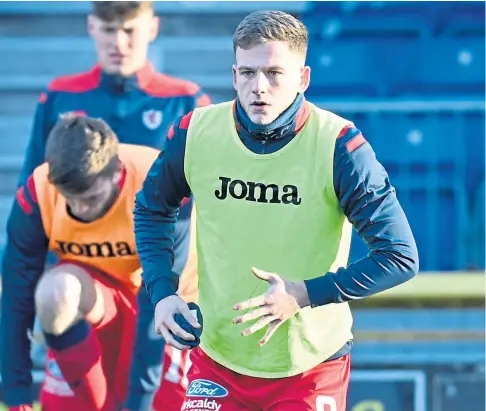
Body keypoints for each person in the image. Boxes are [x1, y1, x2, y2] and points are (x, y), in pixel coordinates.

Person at [134, 10, 419, 411]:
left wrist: (304, 294)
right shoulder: (194, 132)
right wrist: (163, 292)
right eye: (248, 73)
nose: (259, 88)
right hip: (217, 359)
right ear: (234, 75)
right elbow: (152, 209)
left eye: (273, 73)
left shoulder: (339, 145)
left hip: (309, 365)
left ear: (303, 78)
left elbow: (400, 256)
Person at [17, 1, 209, 408]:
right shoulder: (60, 96)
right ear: (90, 27)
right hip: (89, 284)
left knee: (156, 400)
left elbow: (204, 209)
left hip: (161, 280)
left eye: (130, 31)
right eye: (107, 30)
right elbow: (35, 197)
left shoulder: (186, 101)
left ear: (152, 28)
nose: (118, 42)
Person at [0, 115, 195, 411]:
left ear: (116, 171)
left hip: (164, 302)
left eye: (90, 198)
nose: (80, 209)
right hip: (98, 304)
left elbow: (159, 293)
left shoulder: (157, 179)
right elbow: (17, 295)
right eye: (70, 199)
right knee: (54, 293)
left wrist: (137, 403)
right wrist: (17, 398)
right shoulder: (40, 189)